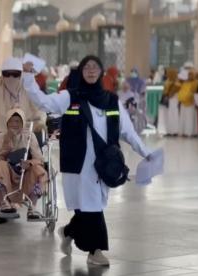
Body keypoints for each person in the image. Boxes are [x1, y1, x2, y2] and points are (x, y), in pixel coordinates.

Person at [23, 55, 151, 266]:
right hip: (79, 164)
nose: (91, 71)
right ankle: (95, 251)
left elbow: (128, 133)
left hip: (103, 164)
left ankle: (68, 232)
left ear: (101, 72)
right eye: (87, 68)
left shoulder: (111, 100)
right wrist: (28, 77)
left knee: (89, 207)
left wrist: (146, 153)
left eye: (95, 67)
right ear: (81, 72)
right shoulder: (69, 97)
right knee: (92, 208)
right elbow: (43, 101)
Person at [0, 108, 47, 220]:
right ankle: (4, 203)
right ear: (7, 123)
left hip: (25, 172)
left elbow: (39, 159)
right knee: (0, 164)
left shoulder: (30, 137)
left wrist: (29, 163)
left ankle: (33, 207)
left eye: (17, 121)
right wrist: (7, 146)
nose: (14, 124)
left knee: (39, 170)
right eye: (11, 121)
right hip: (6, 172)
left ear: (22, 123)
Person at [0, 57, 46, 135]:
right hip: (0, 133)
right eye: (7, 74)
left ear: (21, 74)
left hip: (25, 134)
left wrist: (40, 122)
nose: (11, 77)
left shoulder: (28, 88)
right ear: (2, 74)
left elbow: (39, 107)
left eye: (15, 74)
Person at [158, 68, 180, 136]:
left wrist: (169, 94)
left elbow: (173, 92)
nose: (167, 74)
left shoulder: (176, 83)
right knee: (167, 116)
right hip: (167, 101)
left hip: (173, 100)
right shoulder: (168, 81)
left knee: (173, 115)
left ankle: (174, 131)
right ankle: (168, 131)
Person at [178, 69, 198, 137]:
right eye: (189, 75)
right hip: (183, 102)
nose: (190, 76)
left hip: (191, 102)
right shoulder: (185, 83)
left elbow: (194, 92)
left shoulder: (196, 82)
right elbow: (182, 91)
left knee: (190, 118)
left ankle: (189, 132)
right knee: (183, 118)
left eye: (191, 75)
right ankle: (183, 131)